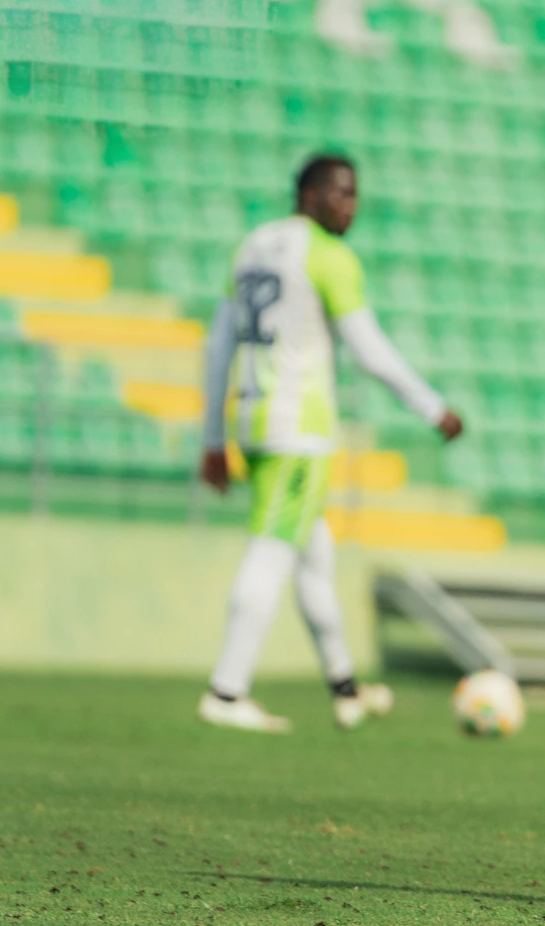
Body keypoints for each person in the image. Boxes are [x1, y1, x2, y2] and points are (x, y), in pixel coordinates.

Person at [197, 155, 462, 733]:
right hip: (299, 430)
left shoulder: (253, 246)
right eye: (341, 194)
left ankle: (346, 689)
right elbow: (368, 350)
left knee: (313, 555)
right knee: (271, 550)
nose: (351, 206)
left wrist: (213, 436)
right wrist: (432, 406)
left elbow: (218, 344)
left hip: (255, 419)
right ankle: (226, 691)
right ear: (310, 194)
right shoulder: (327, 255)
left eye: (355, 195)